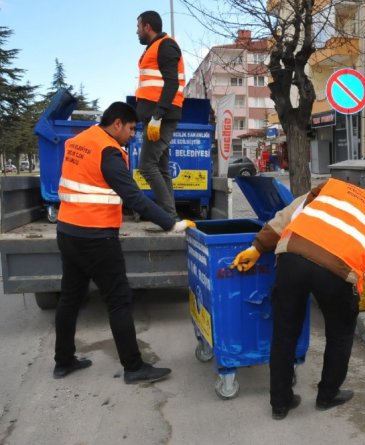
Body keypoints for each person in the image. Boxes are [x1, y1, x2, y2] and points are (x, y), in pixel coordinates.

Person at [231, 178, 365, 420]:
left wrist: (258, 246)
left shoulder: (333, 187)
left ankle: (280, 403)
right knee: (340, 334)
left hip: (292, 256)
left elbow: (289, 213)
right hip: (337, 271)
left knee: (284, 332)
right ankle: (327, 395)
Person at [54, 102, 194, 383]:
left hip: (67, 232)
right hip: (96, 237)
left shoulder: (79, 141)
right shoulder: (108, 151)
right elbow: (134, 197)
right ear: (117, 123)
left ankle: (63, 361)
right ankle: (134, 367)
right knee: (118, 300)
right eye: (131, 129)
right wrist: (170, 222)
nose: (132, 135)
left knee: (70, 297)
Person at [135, 10, 184, 220]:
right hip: (157, 117)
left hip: (161, 117)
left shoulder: (165, 45)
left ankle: (167, 216)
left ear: (147, 27)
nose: (136, 31)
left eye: (138, 27)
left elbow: (172, 82)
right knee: (162, 169)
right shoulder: (154, 48)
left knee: (146, 166)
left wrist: (157, 115)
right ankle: (171, 217)